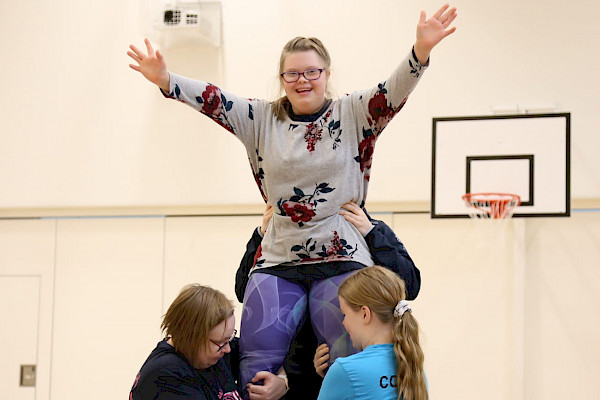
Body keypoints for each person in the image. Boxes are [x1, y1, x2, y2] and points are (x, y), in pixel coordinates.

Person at [128, 4, 456, 397]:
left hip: (342, 254)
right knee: (254, 363)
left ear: (326, 75)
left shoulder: (352, 113)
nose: (303, 80)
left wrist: (420, 52)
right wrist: (166, 79)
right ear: (282, 79)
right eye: (292, 73)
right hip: (279, 256)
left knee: (345, 361)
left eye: (312, 72)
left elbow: (393, 91)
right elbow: (215, 100)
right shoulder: (261, 119)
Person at [235, 202, 422, 399]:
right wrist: (261, 235)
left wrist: (370, 232)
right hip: (293, 379)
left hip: (343, 372)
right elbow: (242, 290)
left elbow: (410, 286)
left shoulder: (369, 228)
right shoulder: (274, 237)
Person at [129, 284, 288, 400]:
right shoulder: (166, 375)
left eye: (229, 338)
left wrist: (282, 382)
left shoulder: (212, 352)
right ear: (191, 337)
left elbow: (262, 352)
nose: (227, 349)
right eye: (220, 343)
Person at [316, 266, 427, 400]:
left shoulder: (344, 370)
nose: (343, 323)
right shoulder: (415, 370)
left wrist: (333, 380)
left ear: (365, 314)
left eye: (344, 315)